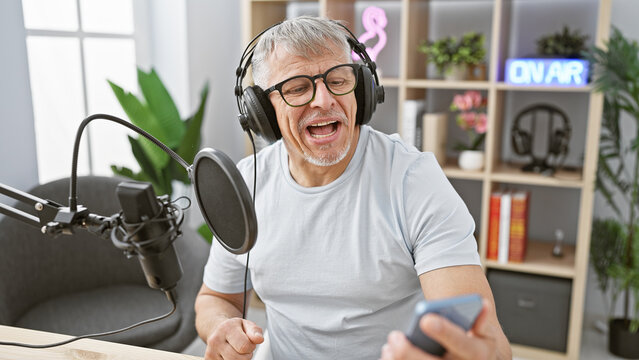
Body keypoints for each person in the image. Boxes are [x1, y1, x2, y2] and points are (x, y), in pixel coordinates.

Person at [194, 16, 511, 360]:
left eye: (338, 80)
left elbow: (485, 336)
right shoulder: (248, 183)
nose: (324, 100)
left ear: (361, 90)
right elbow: (215, 299)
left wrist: (472, 352)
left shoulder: (413, 180)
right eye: (299, 88)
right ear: (261, 112)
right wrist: (220, 327)